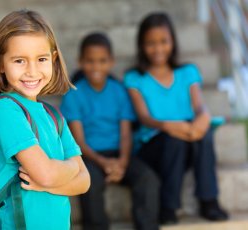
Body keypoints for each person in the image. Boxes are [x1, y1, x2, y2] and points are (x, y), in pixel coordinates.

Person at [0, 10, 90, 230]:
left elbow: (84, 181)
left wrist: (48, 184)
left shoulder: (53, 115)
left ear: (53, 59)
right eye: (19, 60)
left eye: (41, 59)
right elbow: (46, 173)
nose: (32, 71)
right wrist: (70, 167)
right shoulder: (6, 111)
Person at [124, 12, 229, 225]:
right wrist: (170, 126)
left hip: (187, 137)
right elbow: (144, 117)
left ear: (172, 41)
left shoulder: (187, 72)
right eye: (151, 43)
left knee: (204, 133)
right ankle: (168, 206)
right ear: (141, 45)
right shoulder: (134, 77)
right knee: (174, 139)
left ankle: (209, 200)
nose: (158, 48)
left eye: (164, 41)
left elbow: (199, 106)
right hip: (154, 144)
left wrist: (202, 119)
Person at [61, 33, 160, 230]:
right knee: (89, 181)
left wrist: (122, 162)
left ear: (111, 62)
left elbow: (125, 133)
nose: (96, 67)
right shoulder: (74, 95)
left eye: (102, 61)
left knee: (147, 177)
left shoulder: (119, 91)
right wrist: (103, 162)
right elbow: (78, 141)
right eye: (89, 61)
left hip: (119, 153)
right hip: (89, 155)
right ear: (80, 62)